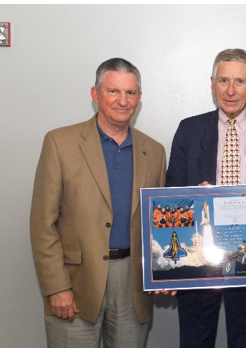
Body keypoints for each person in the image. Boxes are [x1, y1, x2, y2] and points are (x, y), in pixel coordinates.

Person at [29, 57, 166, 347]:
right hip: (76, 284)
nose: (122, 100)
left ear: (139, 98)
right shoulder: (59, 143)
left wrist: (168, 271)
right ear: (95, 94)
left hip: (133, 285)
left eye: (130, 93)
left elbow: (159, 225)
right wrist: (57, 287)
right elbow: (42, 223)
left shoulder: (154, 151)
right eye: (113, 91)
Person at [166, 48, 246, 347]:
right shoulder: (189, 129)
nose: (230, 90)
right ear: (212, 84)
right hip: (198, 260)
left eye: (239, 81)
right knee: (195, 341)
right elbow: (171, 193)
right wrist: (191, 198)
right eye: (223, 80)